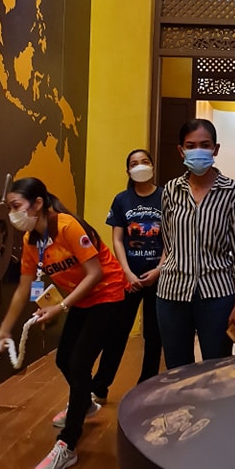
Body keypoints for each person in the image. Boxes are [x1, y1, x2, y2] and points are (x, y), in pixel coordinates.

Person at [0, 177, 129, 469]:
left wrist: (61, 307)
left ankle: (67, 445)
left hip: (109, 294)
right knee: (64, 359)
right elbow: (25, 287)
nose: (13, 214)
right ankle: (85, 404)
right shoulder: (31, 241)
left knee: (79, 364)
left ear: (37, 203)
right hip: (81, 299)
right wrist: (5, 329)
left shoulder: (67, 227)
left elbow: (95, 274)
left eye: (16, 206)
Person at [156, 118, 235, 369]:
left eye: (205, 145)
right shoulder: (170, 191)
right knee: (177, 370)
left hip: (217, 295)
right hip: (172, 294)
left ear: (215, 149)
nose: (198, 150)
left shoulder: (233, 192)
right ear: (181, 150)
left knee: (217, 369)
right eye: (190, 146)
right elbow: (169, 242)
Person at [91, 148, 163, 396]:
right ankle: (100, 386)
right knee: (117, 333)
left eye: (144, 161)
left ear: (152, 166)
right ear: (128, 170)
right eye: (134, 163)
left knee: (154, 335)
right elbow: (117, 240)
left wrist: (159, 269)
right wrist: (127, 273)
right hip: (129, 279)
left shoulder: (166, 197)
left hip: (158, 278)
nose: (140, 166)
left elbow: (173, 239)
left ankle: (146, 386)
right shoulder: (122, 199)